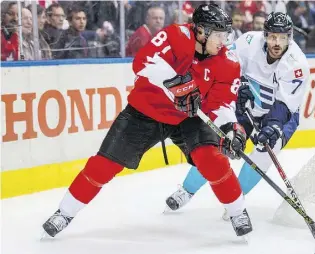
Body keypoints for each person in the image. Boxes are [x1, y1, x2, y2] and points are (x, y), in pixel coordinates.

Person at [42, 4, 252, 239]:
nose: (223, 41)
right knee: (105, 163)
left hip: (191, 117)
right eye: (219, 35)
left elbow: (221, 104)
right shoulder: (175, 35)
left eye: (226, 35)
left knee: (211, 158)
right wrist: (177, 84)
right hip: (146, 110)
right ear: (201, 32)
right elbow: (142, 61)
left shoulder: (228, 62)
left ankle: (237, 211)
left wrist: (230, 128)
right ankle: (64, 212)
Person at [165, 12, 309, 217]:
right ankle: (186, 191)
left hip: (280, 114)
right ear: (265, 35)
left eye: (283, 37)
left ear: (290, 38)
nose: (277, 42)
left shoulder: (297, 64)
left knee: (265, 153)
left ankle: (236, 202)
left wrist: (273, 126)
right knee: (220, 144)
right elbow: (224, 64)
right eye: (273, 36)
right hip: (247, 105)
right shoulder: (248, 42)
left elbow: (285, 105)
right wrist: (238, 83)